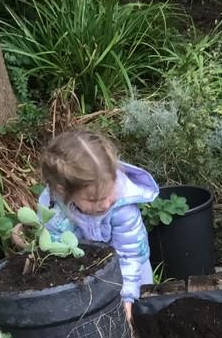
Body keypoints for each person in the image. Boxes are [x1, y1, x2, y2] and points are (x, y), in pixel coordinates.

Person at [36, 129, 158, 321]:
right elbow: (57, 252)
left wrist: (126, 300)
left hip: (131, 270)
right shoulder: (53, 208)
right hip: (85, 278)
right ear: (63, 190)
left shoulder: (122, 206)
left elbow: (129, 255)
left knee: (139, 315)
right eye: (93, 200)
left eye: (110, 193)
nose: (105, 203)